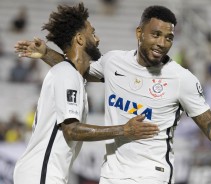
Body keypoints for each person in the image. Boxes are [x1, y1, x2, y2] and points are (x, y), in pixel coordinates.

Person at [15, 5, 211, 184]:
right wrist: (46, 53)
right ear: (139, 33)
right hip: (111, 175)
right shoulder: (113, 62)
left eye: (168, 37)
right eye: (156, 35)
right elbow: (78, 69)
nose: (162, 43)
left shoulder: (181, 78)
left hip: (150, 174)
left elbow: (210, 125)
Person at [13, 3, 159, 184]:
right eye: (93, 33)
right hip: (42, 173)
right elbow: (71, 130)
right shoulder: (67, 74)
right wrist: (124, 129)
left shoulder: (71, 74)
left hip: (43, 173)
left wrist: (46, 53)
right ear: (80, 39)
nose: (97, 39)